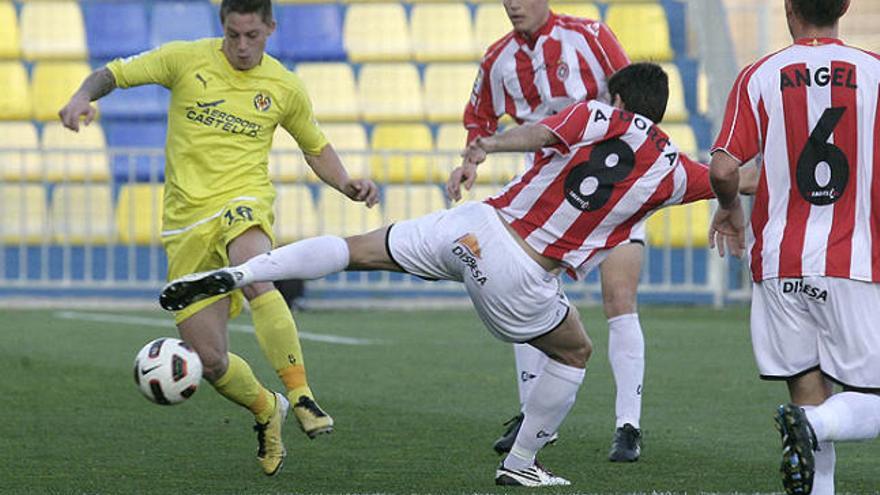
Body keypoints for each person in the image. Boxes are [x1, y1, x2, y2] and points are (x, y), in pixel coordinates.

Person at [161, 63, 750, 486]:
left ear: (618, 99)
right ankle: (521, 464)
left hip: (474, 225)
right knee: (574, 349)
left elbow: (541, 133)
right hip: (523, 273)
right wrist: (732, 202)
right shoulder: (675, 169)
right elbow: (732, 177)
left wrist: (488, 145)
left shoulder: (595, 115)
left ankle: (241, 272)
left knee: (357, 246)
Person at [58, 0, 379, 476]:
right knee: (210, 361)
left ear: (270, 28)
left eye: (253, 36)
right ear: (222, 28)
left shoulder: (284, 86)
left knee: (254, 273)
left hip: (242, 203)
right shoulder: (185, 59)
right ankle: (269, 408)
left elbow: (315, 146)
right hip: (185, 224)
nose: (243, 46)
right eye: (234, 35)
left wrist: (348, 183)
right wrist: (83, 95)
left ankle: (302, 394)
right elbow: (115, 73)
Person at [458, 0, 648, 461]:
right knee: (526, 292)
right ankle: (532, 413)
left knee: (618, 299)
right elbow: (479, 118)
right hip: (541, 194)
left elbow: (634, 99)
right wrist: (468, 161)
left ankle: (628, 425)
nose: (512, 5)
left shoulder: (591, 37)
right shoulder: (497, 57)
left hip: (608, 181)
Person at [708, 1, 880, 493]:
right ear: (845, 6)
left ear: (787, 6)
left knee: (808, 390)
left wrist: (729, 207)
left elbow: (723, 169)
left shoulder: (759, 76)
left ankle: (811, 445)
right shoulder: (874, 74)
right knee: (859, 404)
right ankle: (812, 426)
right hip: (855, 260)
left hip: (781, 262)